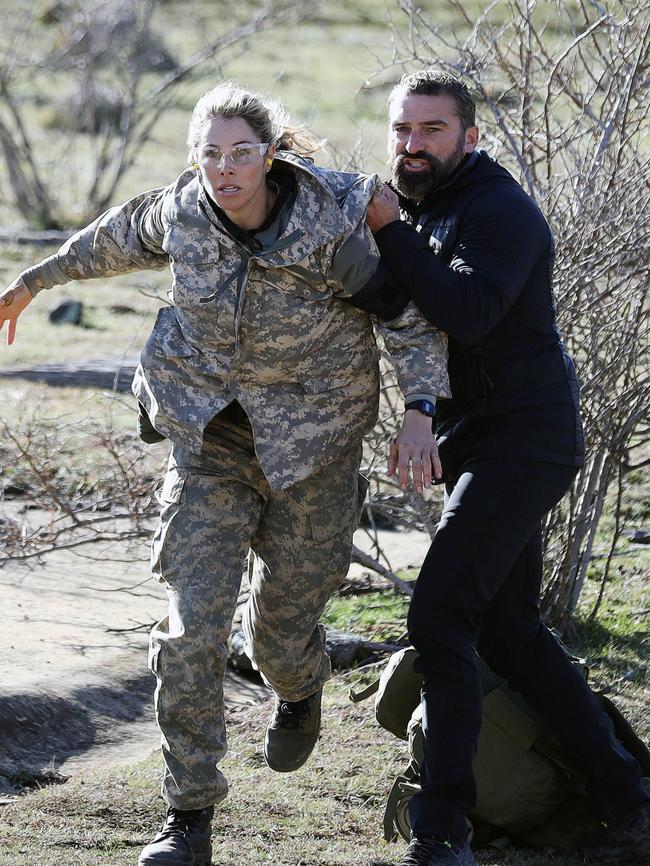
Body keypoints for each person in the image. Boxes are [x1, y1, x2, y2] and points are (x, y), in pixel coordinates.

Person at [0, 81, 449, 866]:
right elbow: (105, 239)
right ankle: (189, 820)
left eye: (242, 152)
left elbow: (406, 313)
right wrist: (30, 285)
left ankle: (299, 686)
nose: (225, 168)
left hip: (314, 449)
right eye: (210, 153)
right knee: (187, 630)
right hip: (209, 443)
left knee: (278, 635)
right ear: (194, 159)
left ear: (269, 155)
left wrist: (419, 409)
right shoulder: (179, 214)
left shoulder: (334, 220)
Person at [365, 70, 650, 866]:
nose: (413, 146)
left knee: (438, 617)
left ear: (470, 136)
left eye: (432, 131)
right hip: (477, 441)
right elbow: (393, 305)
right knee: (509, 630)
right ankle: (629, 799)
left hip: (526, 440)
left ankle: (442, 829)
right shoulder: (421, 206)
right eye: (403, 131)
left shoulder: (501, 211)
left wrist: (389, 229)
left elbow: (468, 310)